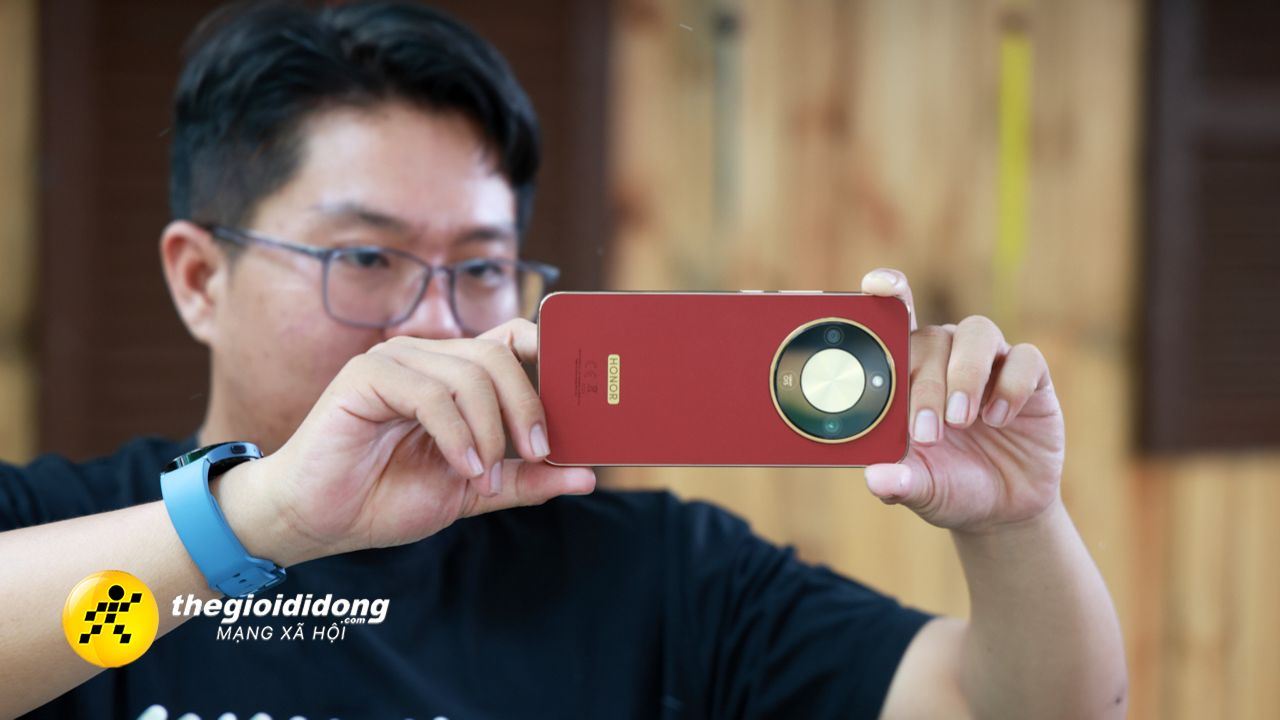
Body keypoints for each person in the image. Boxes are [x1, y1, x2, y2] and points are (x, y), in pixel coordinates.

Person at [0, 2, 1127, 718]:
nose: (436, 320)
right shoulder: (65, 534)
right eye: (366, 257)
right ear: (199, 278)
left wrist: (1013, 522)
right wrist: (267, 519)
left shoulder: (654, 578)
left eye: (483, 265)